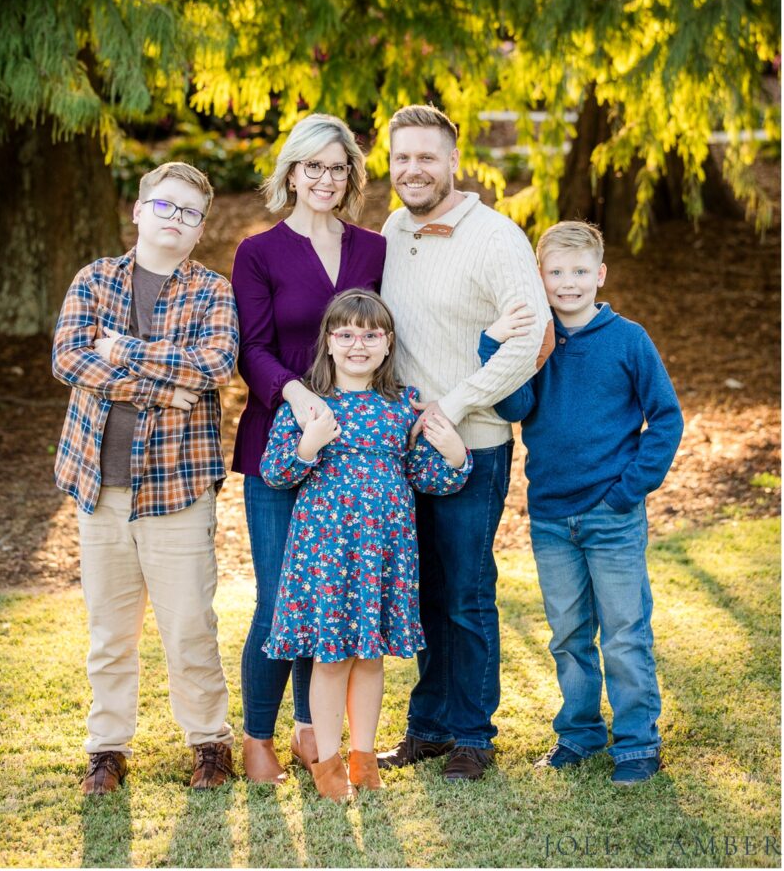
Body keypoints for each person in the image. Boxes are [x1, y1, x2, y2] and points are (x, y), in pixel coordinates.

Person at [379, 104, 554, 781]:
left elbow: (531, 342)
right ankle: (428, 726)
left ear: (454, 162)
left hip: (473, 443)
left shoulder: (496, 237)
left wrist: (452, 405)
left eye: (427, 157)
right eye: (402, 158)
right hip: (406, 446)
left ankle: (475, 735)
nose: (413, 169)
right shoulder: (393, 230)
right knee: (424, 590)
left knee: (466, 591)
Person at [52, 162, 239, 794]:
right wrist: (164, 387)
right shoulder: (95, 279)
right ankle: (107, 749)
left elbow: (214, 364)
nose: (175, 220)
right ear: (139, 211)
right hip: (97, 488)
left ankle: (210, 743)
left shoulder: (213, 290)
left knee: (189, 624)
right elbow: (69, 357)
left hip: (177, 487)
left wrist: (121, 350)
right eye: (165, 206)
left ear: (199, 229)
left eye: (189, 213)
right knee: (109, 631)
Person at [479, 220, 684, 785]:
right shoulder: (537, 342)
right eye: (556, 273)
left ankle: (638, 742)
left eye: (579, 272)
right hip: (549, 515)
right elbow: (513, 407)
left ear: (600, 274)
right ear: (540, 278)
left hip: (612, 514)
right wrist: (493, 343)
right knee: (568, 634)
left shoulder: (628, 339)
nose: (568, 283)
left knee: (624, 631)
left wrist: (628, 490)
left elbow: (665, 418)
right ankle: (580, 733)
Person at [260, 290, 471, 802]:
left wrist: (456, 454)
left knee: (371, 656)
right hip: (327, 550)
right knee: (332, 658)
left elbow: (425, 477)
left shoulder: (401, 403)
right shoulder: (310, 403)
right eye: (346, 334)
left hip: (384, 550)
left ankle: (364, 756)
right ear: (328, 343)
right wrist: (309, 444)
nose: (359, 344)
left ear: (387, 343)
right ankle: (328, 761)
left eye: (371, 334)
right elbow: (274, 472)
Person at [231, 114, 386, 783]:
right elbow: (252, 349)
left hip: (351, 454)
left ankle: (311, 734)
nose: (325, 178)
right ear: (291, 172)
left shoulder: (372, 249)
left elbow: (381, 334)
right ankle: (257, 736)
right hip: (278, 437)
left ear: (351, 176)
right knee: (277, 598)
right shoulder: (258, 251)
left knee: (323, 599)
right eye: (312, 166)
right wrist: (296, 396)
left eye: (337, 167)